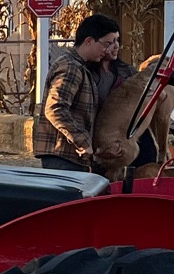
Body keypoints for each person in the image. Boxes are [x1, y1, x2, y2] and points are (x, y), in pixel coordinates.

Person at [33, 14, 126, 169]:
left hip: (70, 156)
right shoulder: (71, 67)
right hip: (62, 156)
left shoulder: (79, 66)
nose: (108, 49)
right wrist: (82, 141)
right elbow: (55, 108)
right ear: (89, 41)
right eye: (106, 44)